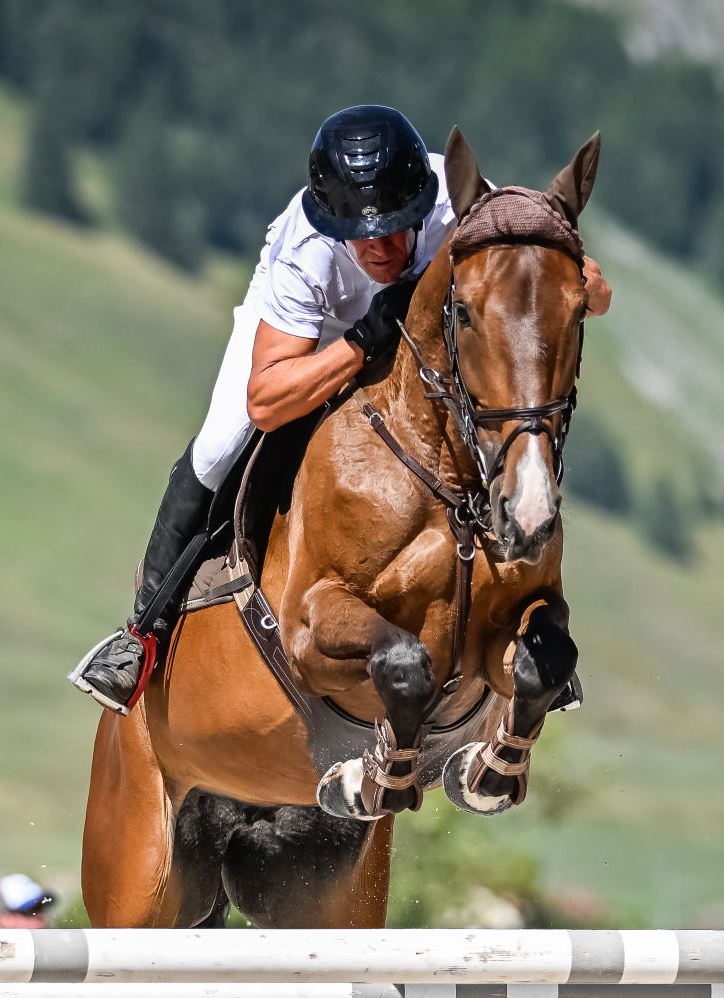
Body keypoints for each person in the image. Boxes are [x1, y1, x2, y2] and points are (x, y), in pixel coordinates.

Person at [70, 104, 613, 712]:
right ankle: (143, 633)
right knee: (220, 445)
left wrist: (583, 288)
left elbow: (576, 282)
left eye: (397, 227)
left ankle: (519, 621)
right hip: (315, 331)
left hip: (423, 333)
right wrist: (359, 343)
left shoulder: (458, 200)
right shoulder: (307, 251)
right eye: (361, 233)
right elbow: (267, 400)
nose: (380, 246)